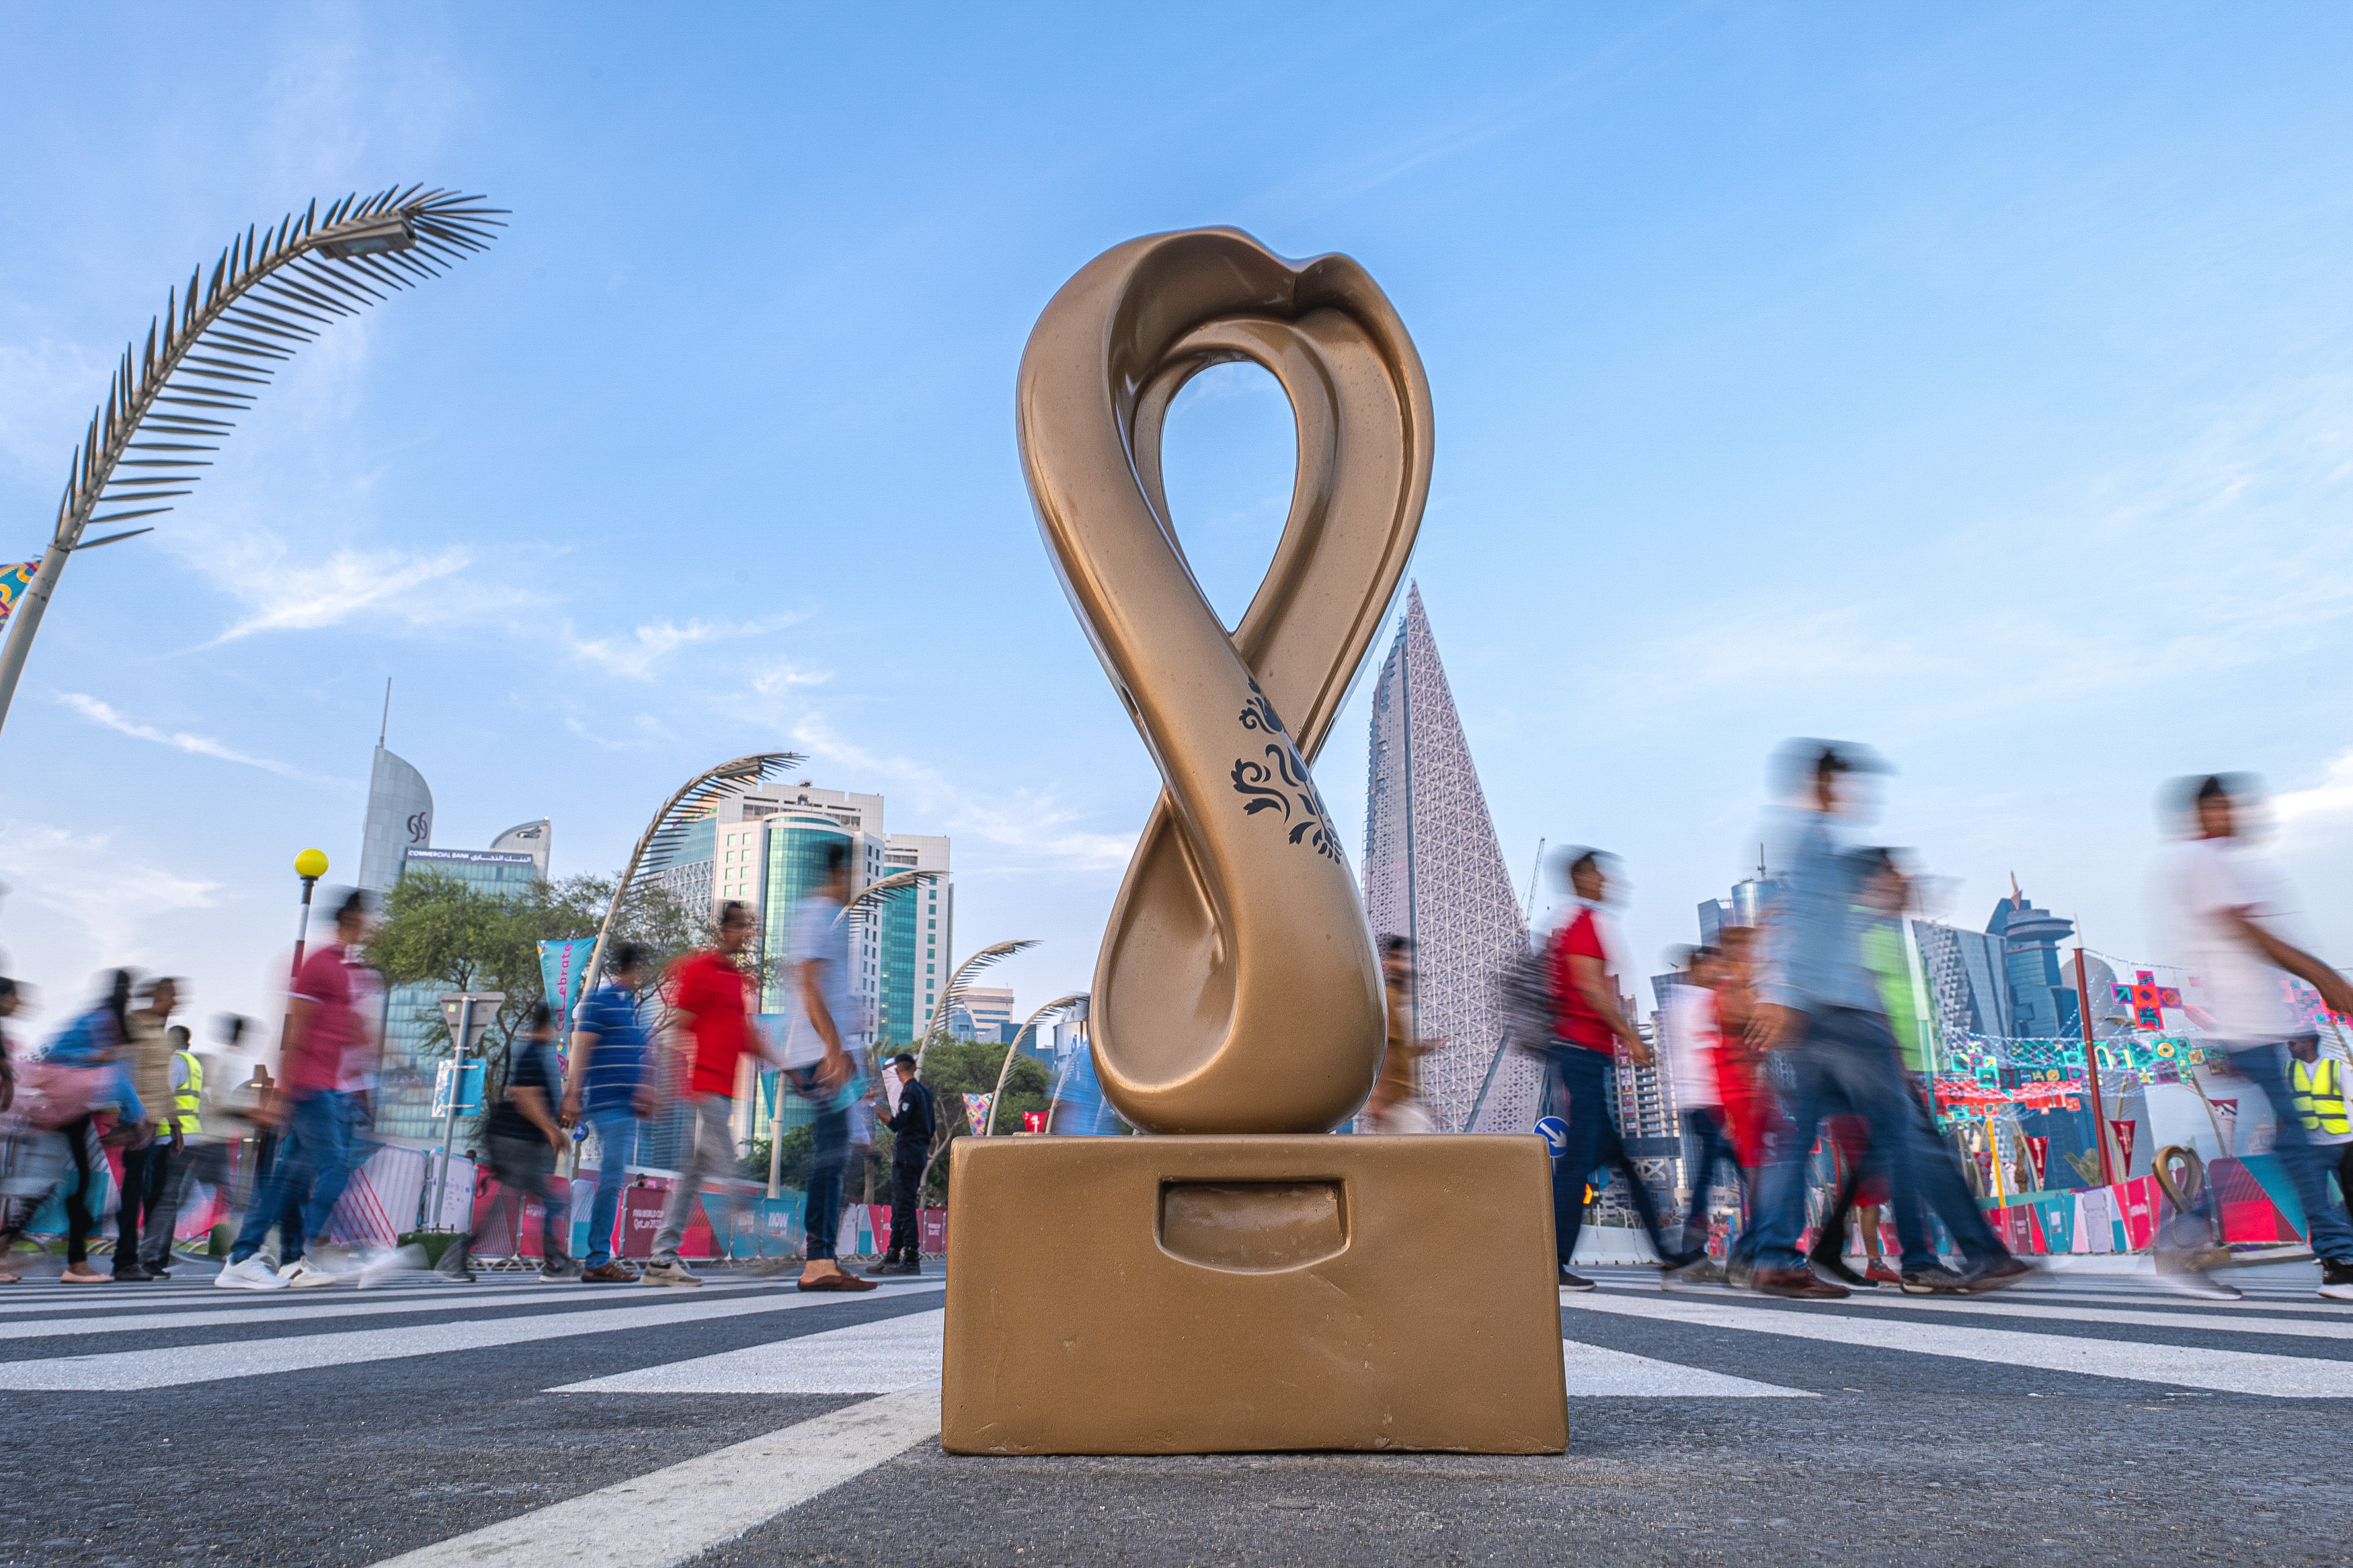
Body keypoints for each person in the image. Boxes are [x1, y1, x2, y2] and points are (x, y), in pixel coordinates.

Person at [1749, 742, 2024, 1300]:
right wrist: (1780, 993)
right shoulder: (1815, 842)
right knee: (1906, 1135)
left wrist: (1881, 897)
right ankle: (1961, 1254)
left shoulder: (1823, 849)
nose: (1856, 794)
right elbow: (1800, 919)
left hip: (1817, 1017)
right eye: (1846, 783)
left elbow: (1822, 919)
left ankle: (1777, 1257)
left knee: (1803, 1137)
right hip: (1842, 1017)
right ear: (1826, 783)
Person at [2157, 774, 2353, 1303]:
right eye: (2219, 808)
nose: (2231, 817)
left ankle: (2180, 1244)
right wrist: (2324, 977)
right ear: (2200, 814)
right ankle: (2338, 1258)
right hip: (2246, 1029)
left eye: (2234, 808)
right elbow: (2250, 933)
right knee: (2298, 1146)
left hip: (2260, 1028)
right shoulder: (2206, 861)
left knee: (2289, 1145)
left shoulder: (2223, 862)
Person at [216, 891, 378, 1290]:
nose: (372, 924)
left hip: (330, 1089)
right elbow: (296, 1027)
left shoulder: (348, 969)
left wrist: (381, 1069)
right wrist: (282, 1090)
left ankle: (279, 1259)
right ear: (351, 918)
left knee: (290, 1177)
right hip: (309, 1086)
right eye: (367, 917)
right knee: (331, 1167)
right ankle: (261, 1255)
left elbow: (354, 1035)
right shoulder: (319, 964)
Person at [1542, 848, 1686, 1291]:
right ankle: (1551, 1260)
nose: (1608, 881)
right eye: (1601, 874)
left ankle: (1667, 1255)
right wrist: (1631, 1036)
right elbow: (1590, 990)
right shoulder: (1583, 925)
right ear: (1583, 878)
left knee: (1618, 1158)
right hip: (1582, 1054)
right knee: (1576, 1165)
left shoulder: (1573, 927)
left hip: (1585, 1055)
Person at [643, 902, 760, 1288]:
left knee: (692, 1176)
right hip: (705, 1087)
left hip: (725, 1090)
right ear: (724, 929)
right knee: (728, 1165)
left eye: (748, 927)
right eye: (740, 926)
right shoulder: (701, 969)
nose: (746, 934)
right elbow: (679, 1027)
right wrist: (663, 1087)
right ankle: (757, 1242)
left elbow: (744, 1035)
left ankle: (661, 1258)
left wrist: (790, 1069)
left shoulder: (736, 978)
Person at [778, 844, 877, 1294]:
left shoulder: (828, 919)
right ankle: (818, 1258)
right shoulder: (817, 915)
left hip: (829, 1052)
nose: (854, 883)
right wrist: (833, 1048)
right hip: (821, 1054)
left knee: (837, 1153)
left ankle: (822, 1255)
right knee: (832, 1154)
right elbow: (809, 985)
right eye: (853, 874)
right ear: (839, 871)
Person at [444, 1004, 572, 1282]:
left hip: (520, 1142)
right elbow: (524, 1096)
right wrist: (551, 1131)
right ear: (547, 1027)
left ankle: (554, 1260)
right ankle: (554, 1261)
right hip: (517, 1143)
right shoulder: (532, 1054)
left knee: (513, 1205)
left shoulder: (535, 1053)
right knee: (538, 1203)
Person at [563, 943, 655, 1283]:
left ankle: (598, 1256)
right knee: (612, 1182)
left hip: (626, 1107)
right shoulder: (600, 1001)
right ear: (633, 967)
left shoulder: (630, 1007)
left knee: (613, 1181)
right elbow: (581, 1046)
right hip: (609, 1105)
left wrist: (644, 1088)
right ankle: (598, 1258)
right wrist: (572, 1094)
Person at [1661, 946, 1740, 1286]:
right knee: (1745, 1168)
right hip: (1709, 1099)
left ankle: (1693, 1252)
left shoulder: (1675, 1001)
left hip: (1691, 1100)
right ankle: (1758, 1248)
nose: (1720, 972)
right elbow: (1713, 1053)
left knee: (1707, 1175)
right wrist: (1728, 1108)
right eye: (1715, 966)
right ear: (1700, 967)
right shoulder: (1702, 1001)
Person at [138, 1023, 225, 1279]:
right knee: (170, 1199)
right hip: (192, 1137)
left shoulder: (175, 1062)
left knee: (162, 1199)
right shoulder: (194, 1064)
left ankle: (150, 1257)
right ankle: (158, 1256)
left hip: (172, 1138)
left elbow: (165, 1098)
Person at [113, 976, 182, 1282]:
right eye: (173, 995)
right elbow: (123, 1071)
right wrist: (130, 1115)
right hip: (134, 1120)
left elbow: (162, 1083)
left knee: (141, 1191)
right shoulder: (133, 1025)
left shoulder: (160, 1032)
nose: (177, 1001)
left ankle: (134, 1258)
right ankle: (124, 1260)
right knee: (132, 1191)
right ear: (159, 995)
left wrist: (175, 1123)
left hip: (153, 1124)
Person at [869, 1053, 936, 1276]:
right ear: (914, 1068)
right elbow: (931, 1128)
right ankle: (892, 1255)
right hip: (917, 1156)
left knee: (904, 1207)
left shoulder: (910, 1093)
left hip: (906, 1156)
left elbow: (898, 1124)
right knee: (899, 1206)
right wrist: (924, 1148)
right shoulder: (926, 1093)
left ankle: (911, 1257)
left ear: (898, 1071)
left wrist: (875, 1109)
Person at [1364, 936, 1437, 1134]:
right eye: (1395, 959)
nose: (1401, 965)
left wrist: (1424, 1047)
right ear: (1386, 962)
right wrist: (1379, 1100)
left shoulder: (1400, 999)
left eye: (1404, 959)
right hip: (1395, 1106)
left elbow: (1400, 1050)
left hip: (1404, 1103)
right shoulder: (1388, 998)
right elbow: (1385, 1050)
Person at [2287, 1036, 2353, 1235]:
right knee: (2316, 1200)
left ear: (2307, 1043)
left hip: (2343, 1143)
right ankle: (2329, 1242)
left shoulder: (2336, 1067)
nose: (2289, 1047)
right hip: (2310, 1146)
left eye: (2292, 1043)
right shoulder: (2289, 1071)